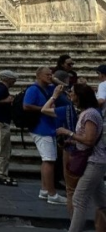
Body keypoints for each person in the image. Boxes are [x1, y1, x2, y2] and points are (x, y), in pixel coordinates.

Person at [54, 83, 106, 232]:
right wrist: (73, 140)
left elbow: (89, 140)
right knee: (101, 201)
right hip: (95, 159)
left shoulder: (89, 114)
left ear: (79, 96)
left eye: (72, 92)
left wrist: (69, 133)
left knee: (79, 199)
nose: (70, 95)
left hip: (94, 161)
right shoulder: (89, 112)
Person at [24, 66, 67, 204]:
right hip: (41, 128)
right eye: (48, 75)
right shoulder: (33, 89)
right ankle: (52, 194)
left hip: (49, 127)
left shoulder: (49, 88)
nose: (50, 76)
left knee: (47, 160)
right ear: (39, 76)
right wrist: (44, 110)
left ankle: (45, 189)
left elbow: (65, 89)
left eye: (51, 74)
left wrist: (55, 81)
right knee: (49, 160)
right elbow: (26, 105)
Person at [43, 85, 80, 217]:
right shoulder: (92, 111)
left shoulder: (67, 109)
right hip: (86, 150)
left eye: (71, 92)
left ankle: (74, 221)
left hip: (71, 148)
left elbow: (44, 109)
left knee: (71, 188)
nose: (69, 93)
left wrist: (55, 95)